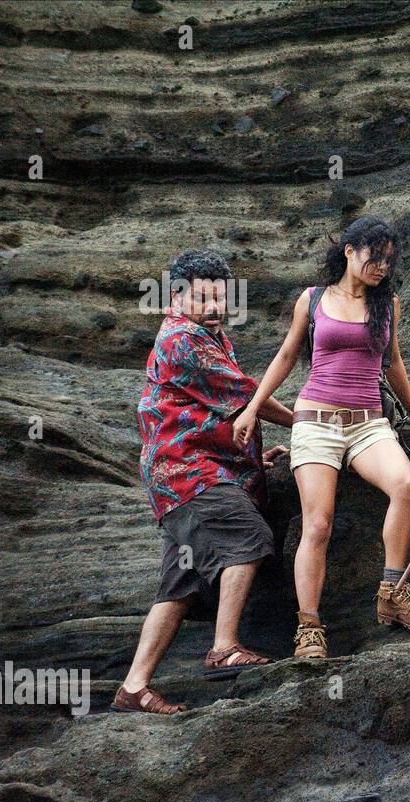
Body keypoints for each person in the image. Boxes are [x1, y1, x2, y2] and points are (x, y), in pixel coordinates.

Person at [234, 216, 410, 659]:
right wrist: (254, 406)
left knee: (406, 486)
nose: (382, 267)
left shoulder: (386, 303)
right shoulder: (313, 299)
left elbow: (392, 362)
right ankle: (309, 628)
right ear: (350, 251)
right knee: (318, 523)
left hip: (368, 423)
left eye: (389, 261)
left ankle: (392, 592)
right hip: (315, 422)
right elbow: (286, 354)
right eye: (375, 256)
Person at [116, 249, 294, 715]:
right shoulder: (183, 339)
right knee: (249, 539)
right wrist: (308, 425)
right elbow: (246, 397)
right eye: (203, 297)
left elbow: (212, 411)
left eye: (221, 297)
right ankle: (224, 647)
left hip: (185, 475)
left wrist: (252, 460)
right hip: (188, 473)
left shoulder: (208, 334)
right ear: (177, 295)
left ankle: (134, 686)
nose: (215, 306)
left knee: (182, 582)